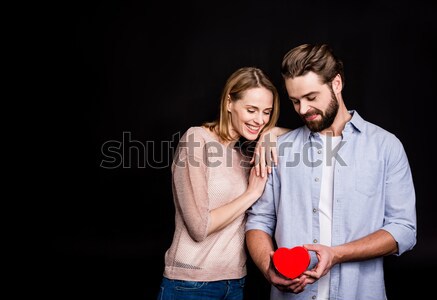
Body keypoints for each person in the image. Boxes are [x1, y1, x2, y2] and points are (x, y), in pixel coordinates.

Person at [245, 44, 417, 300]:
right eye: (295, 101)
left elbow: (403, 229)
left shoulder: (385, 146)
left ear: (336, 83)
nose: (302, 109)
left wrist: (338, 254)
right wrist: (267, 267)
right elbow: (259, 220)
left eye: (311, 97)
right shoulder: (279, 149)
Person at [157, 66, 290, 300]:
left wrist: (272, 132)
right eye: (251, 110)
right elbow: (199, 227)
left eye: (267, 113)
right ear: (229, 102)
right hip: (190, 284)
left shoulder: (245, 156)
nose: (259, 120)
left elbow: (312, 136)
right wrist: (251, 193)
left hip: (235, 283)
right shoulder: (197, 139)